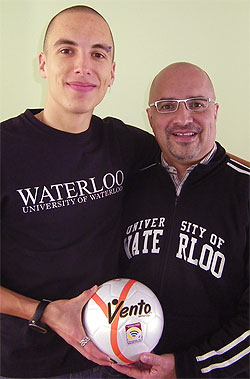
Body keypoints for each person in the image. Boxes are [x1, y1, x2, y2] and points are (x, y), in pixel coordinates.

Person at [0, 5, 160, 378]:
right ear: (43, 64)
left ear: (111, 73)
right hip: (25, 363)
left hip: (111, 354)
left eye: (98, 54)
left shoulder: (123, 143)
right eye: (66, 50)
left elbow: (192, 153)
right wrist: (43, 311)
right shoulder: (5, 149)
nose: (83, 66)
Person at [112, 62, 250, 378]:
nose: (183, 118)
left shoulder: (245, 190)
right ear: (150, 118)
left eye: (197, 104)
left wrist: (188, 367)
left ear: (215, 111)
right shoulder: (128, 186)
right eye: (167, 106)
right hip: (123, 370)